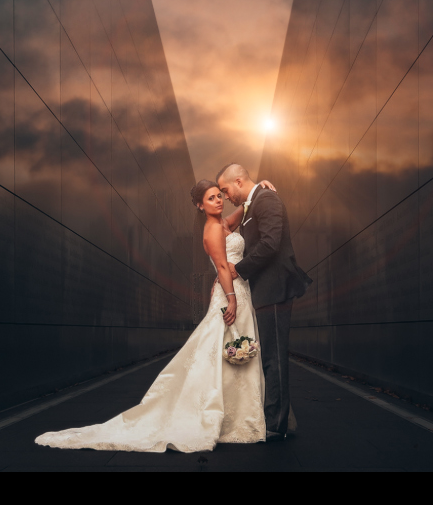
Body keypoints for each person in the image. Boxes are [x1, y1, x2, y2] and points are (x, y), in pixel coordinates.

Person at [34, 179, 276, 452]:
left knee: (227, 352)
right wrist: (231, 300)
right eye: (211, 198)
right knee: (223, 350)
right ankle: (224, 417)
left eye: (219, 195)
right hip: (232, 295)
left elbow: (243, 209)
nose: (218, 200)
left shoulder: (223, 224)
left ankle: (238, 416)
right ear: (200, 205)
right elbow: (221, 266)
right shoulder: (211, 230)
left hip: (238, 291)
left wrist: (258, 188)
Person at [217, 163, 310, 441]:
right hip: (264, 290)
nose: (225, 196)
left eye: (225, 189)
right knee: (269, 356)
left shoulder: (266, 199)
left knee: (274, 358)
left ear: (238, 180)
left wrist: (239, 269)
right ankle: (274, 419)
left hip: (275, 287)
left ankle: (276, 425)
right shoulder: (255, 201)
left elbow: (270, 243)